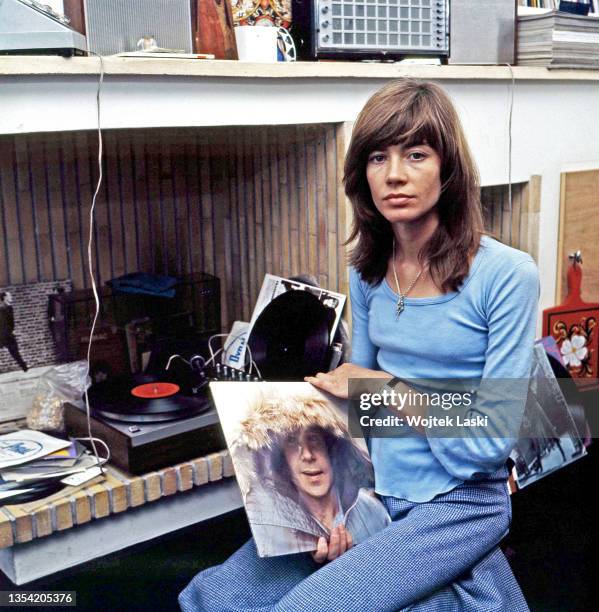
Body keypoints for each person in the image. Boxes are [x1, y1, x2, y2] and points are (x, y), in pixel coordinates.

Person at [179, 78, 538, 611]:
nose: (394, 175)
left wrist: (387, 388)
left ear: (448, 168)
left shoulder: (508, 276)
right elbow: (361, 413)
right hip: (374, 491)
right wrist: (336, 505)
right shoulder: (367, 272)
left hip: (460, 505)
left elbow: (487, 443)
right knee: (211, 595)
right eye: (377, 157)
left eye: (416, 154)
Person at [230, 395, 390, 557]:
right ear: (283, 463)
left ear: (331, 449)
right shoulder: (271, 530)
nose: (307, 454)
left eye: (313, 438)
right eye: (292, 441)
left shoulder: (372, 510)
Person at [0, 291, 28, 372]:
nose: (11, 296)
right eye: (9, 295)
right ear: (5, 297)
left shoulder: (4, 307)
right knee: (14, 350)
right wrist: (12, 330)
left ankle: (24, 366)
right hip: (6, 333)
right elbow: (9, 321)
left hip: (5, 333)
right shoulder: (6, 307)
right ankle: (24, 366)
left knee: (14, 350)